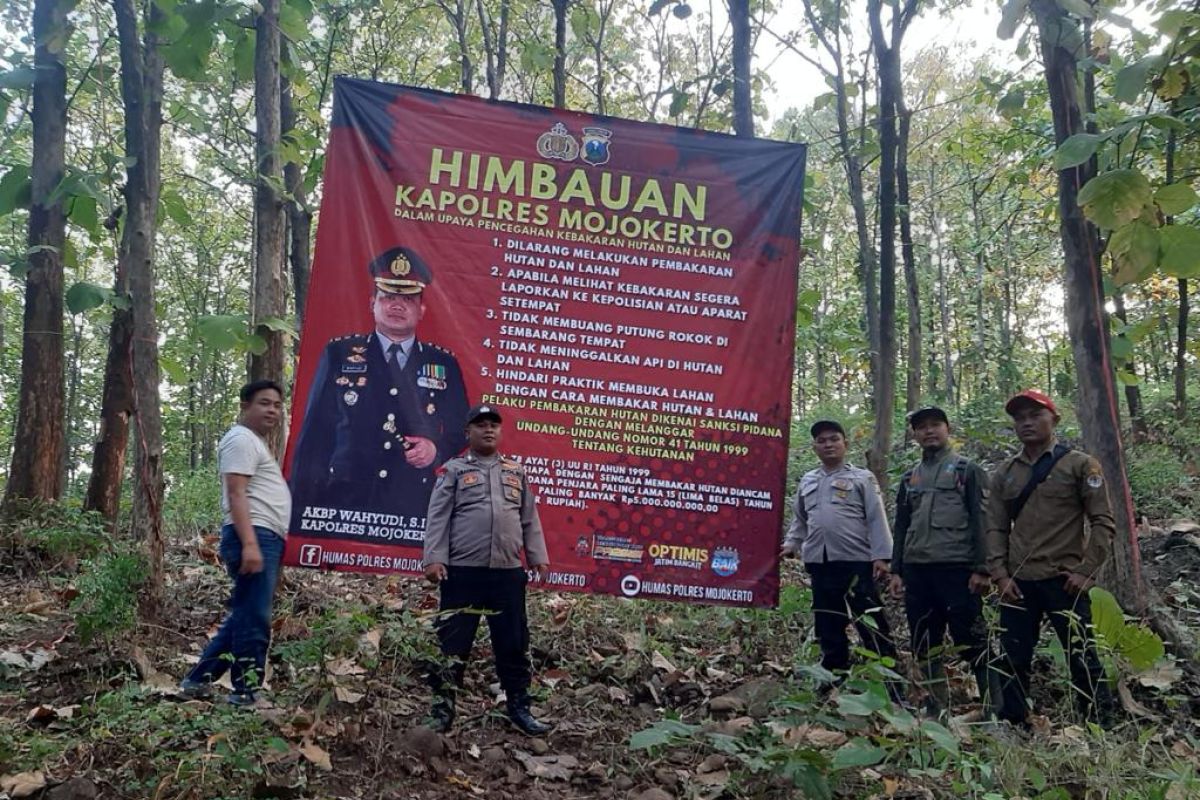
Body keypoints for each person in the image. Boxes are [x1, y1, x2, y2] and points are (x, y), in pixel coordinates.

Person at [290, 245, 469, 535]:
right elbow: (315, 434)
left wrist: (436, 449)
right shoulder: (339, 354)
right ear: (372, 303)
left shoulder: (442, 363)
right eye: (388, 297)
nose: (397, 305)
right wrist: (300, 507)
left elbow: (463, 427)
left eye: (407, 299)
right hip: (345, 501)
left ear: (421, 310)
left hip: (411, 506)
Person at [987, 389, 1116, 726]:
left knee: (1082, 655)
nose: (1026, 423)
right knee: (1013, 656)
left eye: (1035, 415)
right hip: (1018, 582)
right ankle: (1014, 723)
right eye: (1020, 418)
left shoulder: (1079, 465)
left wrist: (1087, 571)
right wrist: (1000, 575)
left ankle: (1098, 724)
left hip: (1064, 580)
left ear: (1054, 419)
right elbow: (995, 528)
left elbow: (1103, 521)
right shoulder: (1006, 472)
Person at [421, 404, 551, 735]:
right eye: (480, 425)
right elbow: (439, 518)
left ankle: (519, 707)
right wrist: (434, 558)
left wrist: (537, 556)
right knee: (453, 642)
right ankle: (442, 709)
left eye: (493, 424)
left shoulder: (515, 471)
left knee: (512, 642)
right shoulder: (452, 470)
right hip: (463, 572)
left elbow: (529, 517)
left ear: (501, 431)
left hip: (507, 573)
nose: (488, 430)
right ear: (468, 433)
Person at [180, 380, 291, 706]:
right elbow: (236, 492)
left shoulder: (253, 443)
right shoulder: (240, 440)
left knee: (244, 613)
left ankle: (197, 680)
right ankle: (246, 692)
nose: (272, 410)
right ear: (245, 405)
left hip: (263, 535)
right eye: (264, 403)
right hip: (253, 535)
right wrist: (251, 544)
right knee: (254, 616)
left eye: (276, 405)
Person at [889, 406, 998, 716]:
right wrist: (897, 570)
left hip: (958, 570)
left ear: (947, 428)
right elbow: (902, 524)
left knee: (973, 640)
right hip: (918, 572)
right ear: (914, 435)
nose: (929, 431)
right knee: (924, 642)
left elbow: (983, 520)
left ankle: (995, 710)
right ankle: (937, 712)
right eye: (921, 427)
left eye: (935, 424)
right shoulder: (910, 477)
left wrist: (982, 568)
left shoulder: (967, 470)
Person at [781, 420, 899, 692]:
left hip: (856, 561)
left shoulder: (862, 478)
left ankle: (892, 685)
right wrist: (791, 544)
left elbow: (876, 517)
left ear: (845, 443)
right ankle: (833, 680)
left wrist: (882, 556)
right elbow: (800, 518)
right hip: (819, 563)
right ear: (814, 447)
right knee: (828, 623)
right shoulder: (809, 480)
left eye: (833, 439)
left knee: (871, 621)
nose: (828, 444)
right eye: (821, 441)